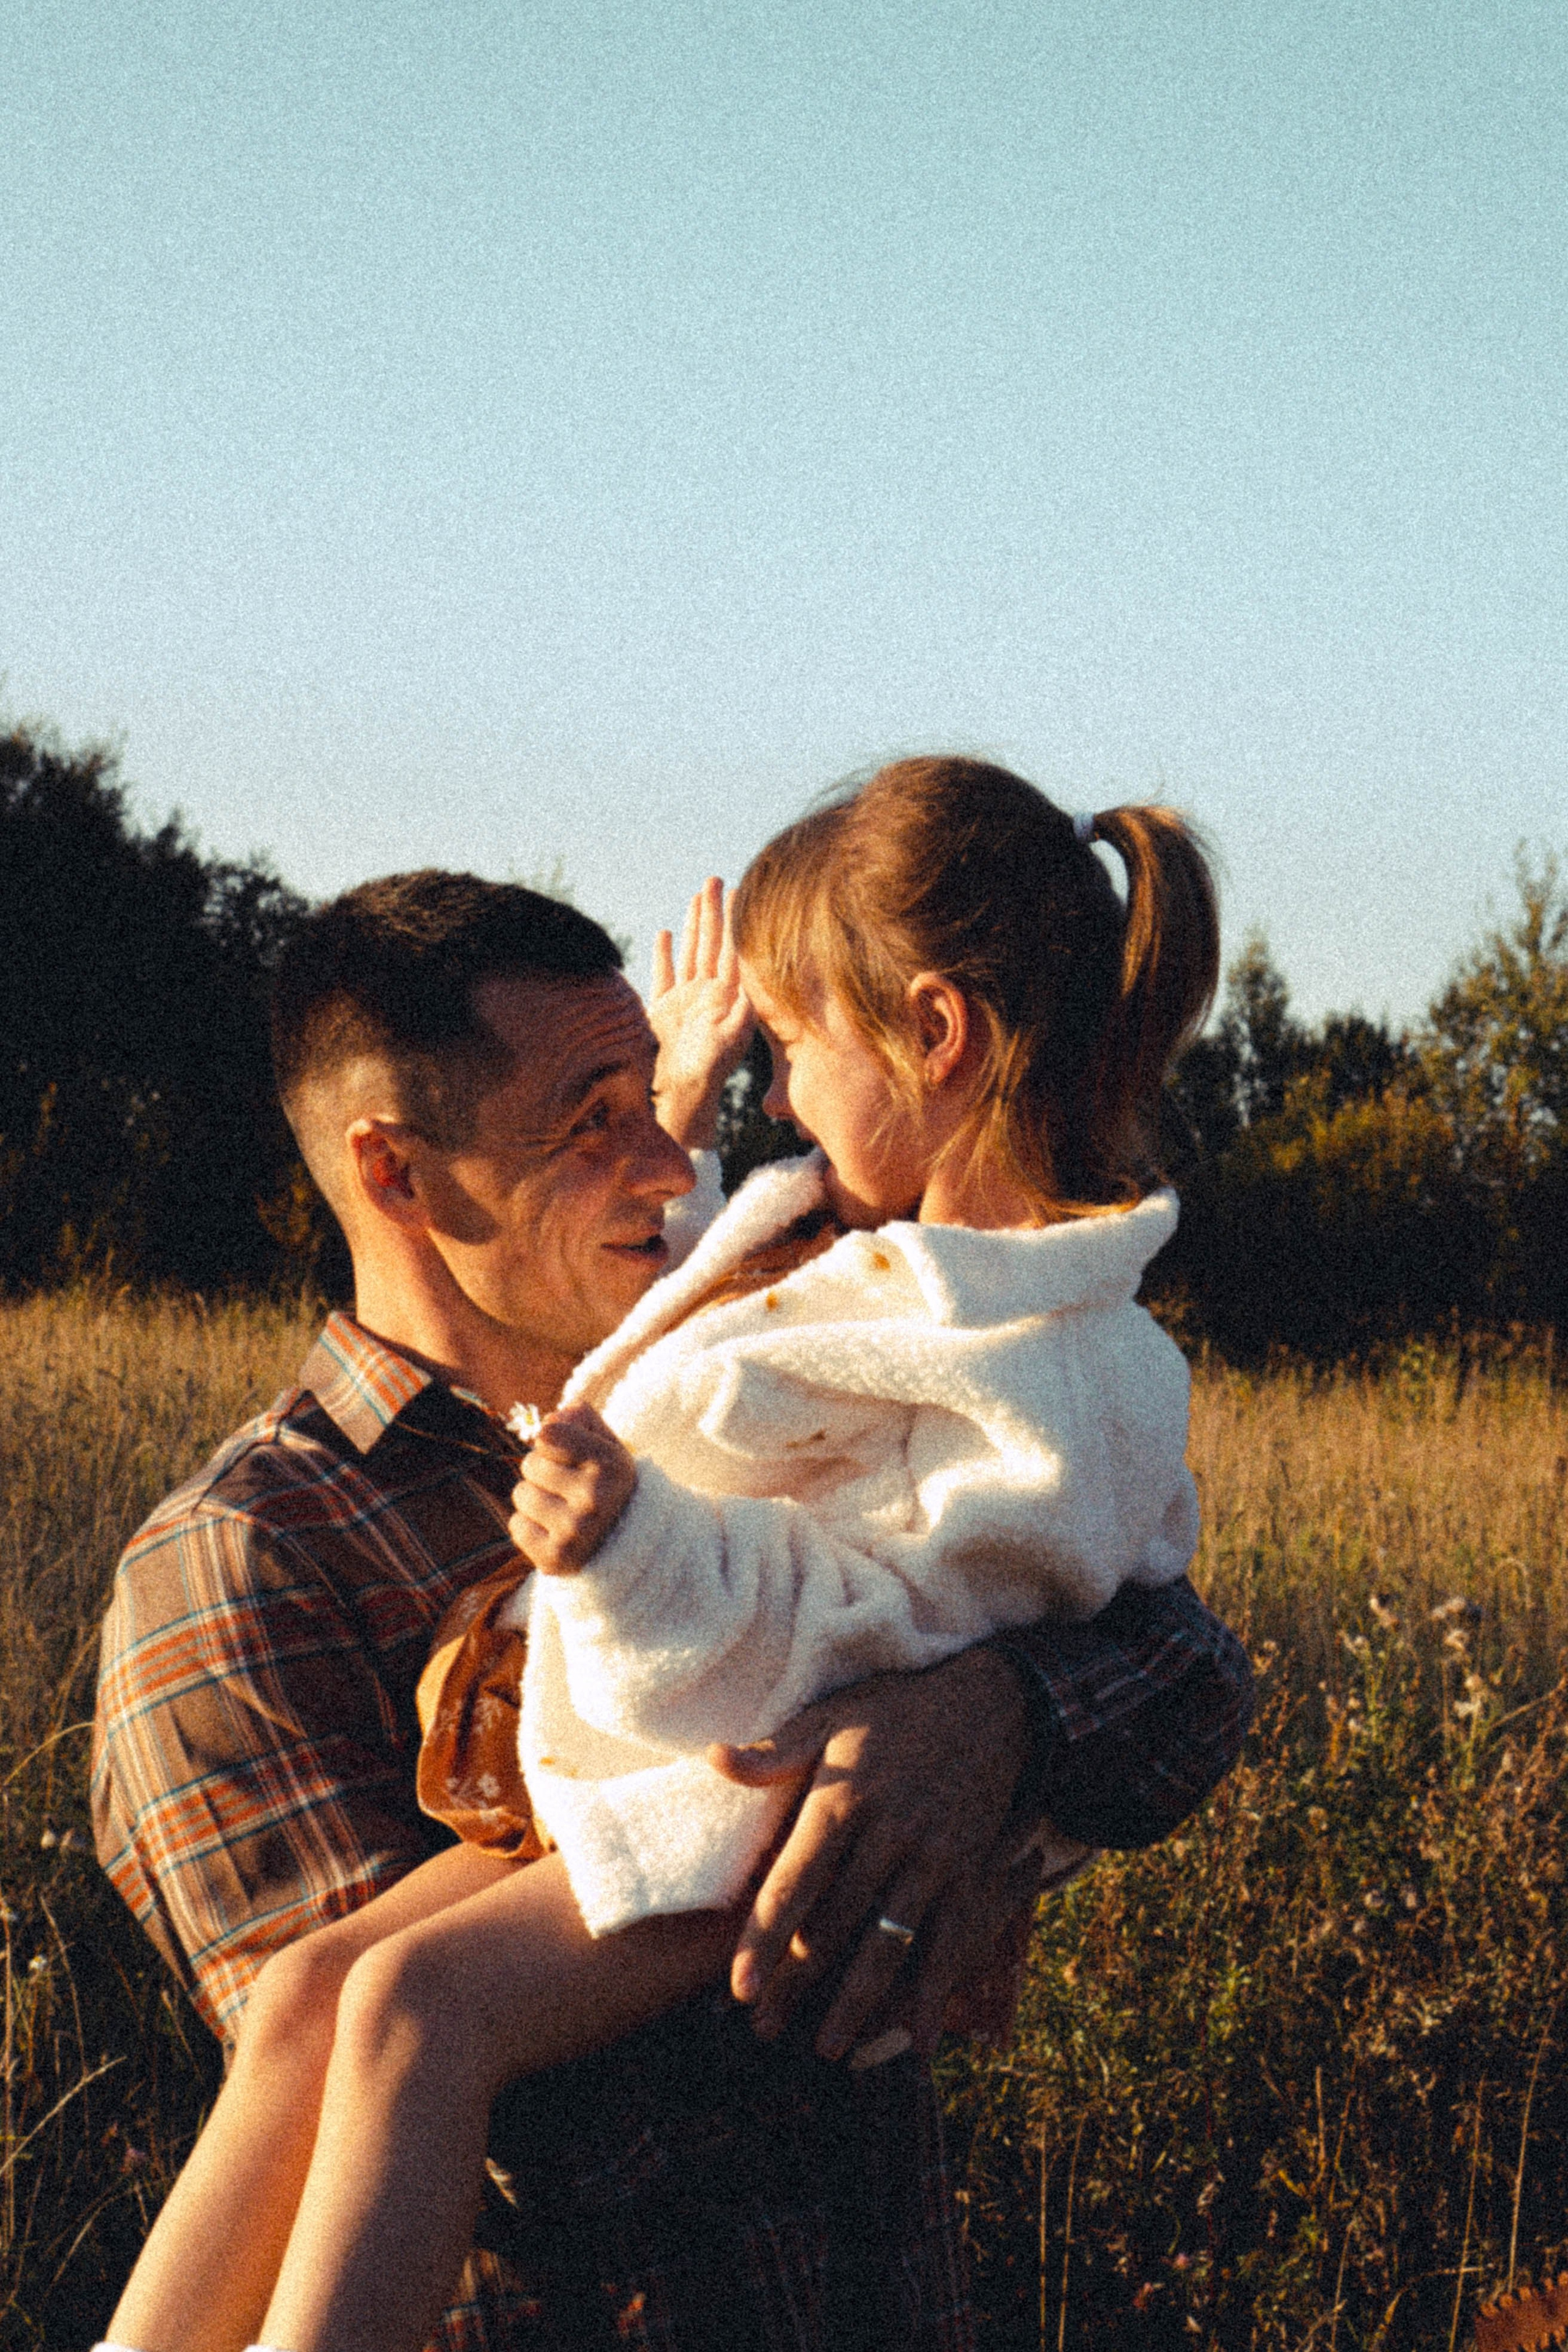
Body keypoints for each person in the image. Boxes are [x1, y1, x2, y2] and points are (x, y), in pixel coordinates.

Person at [93, 842, 1254, 2352]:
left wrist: (991, 1715)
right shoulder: (249, 1561)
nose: (662, 1161)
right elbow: (548, 2121)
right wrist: (906, 1827)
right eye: (591, 1126)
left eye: (658, 1103)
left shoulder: (738, 1390)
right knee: (351, 2001)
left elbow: (1195, 1670)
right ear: (395, 1172)